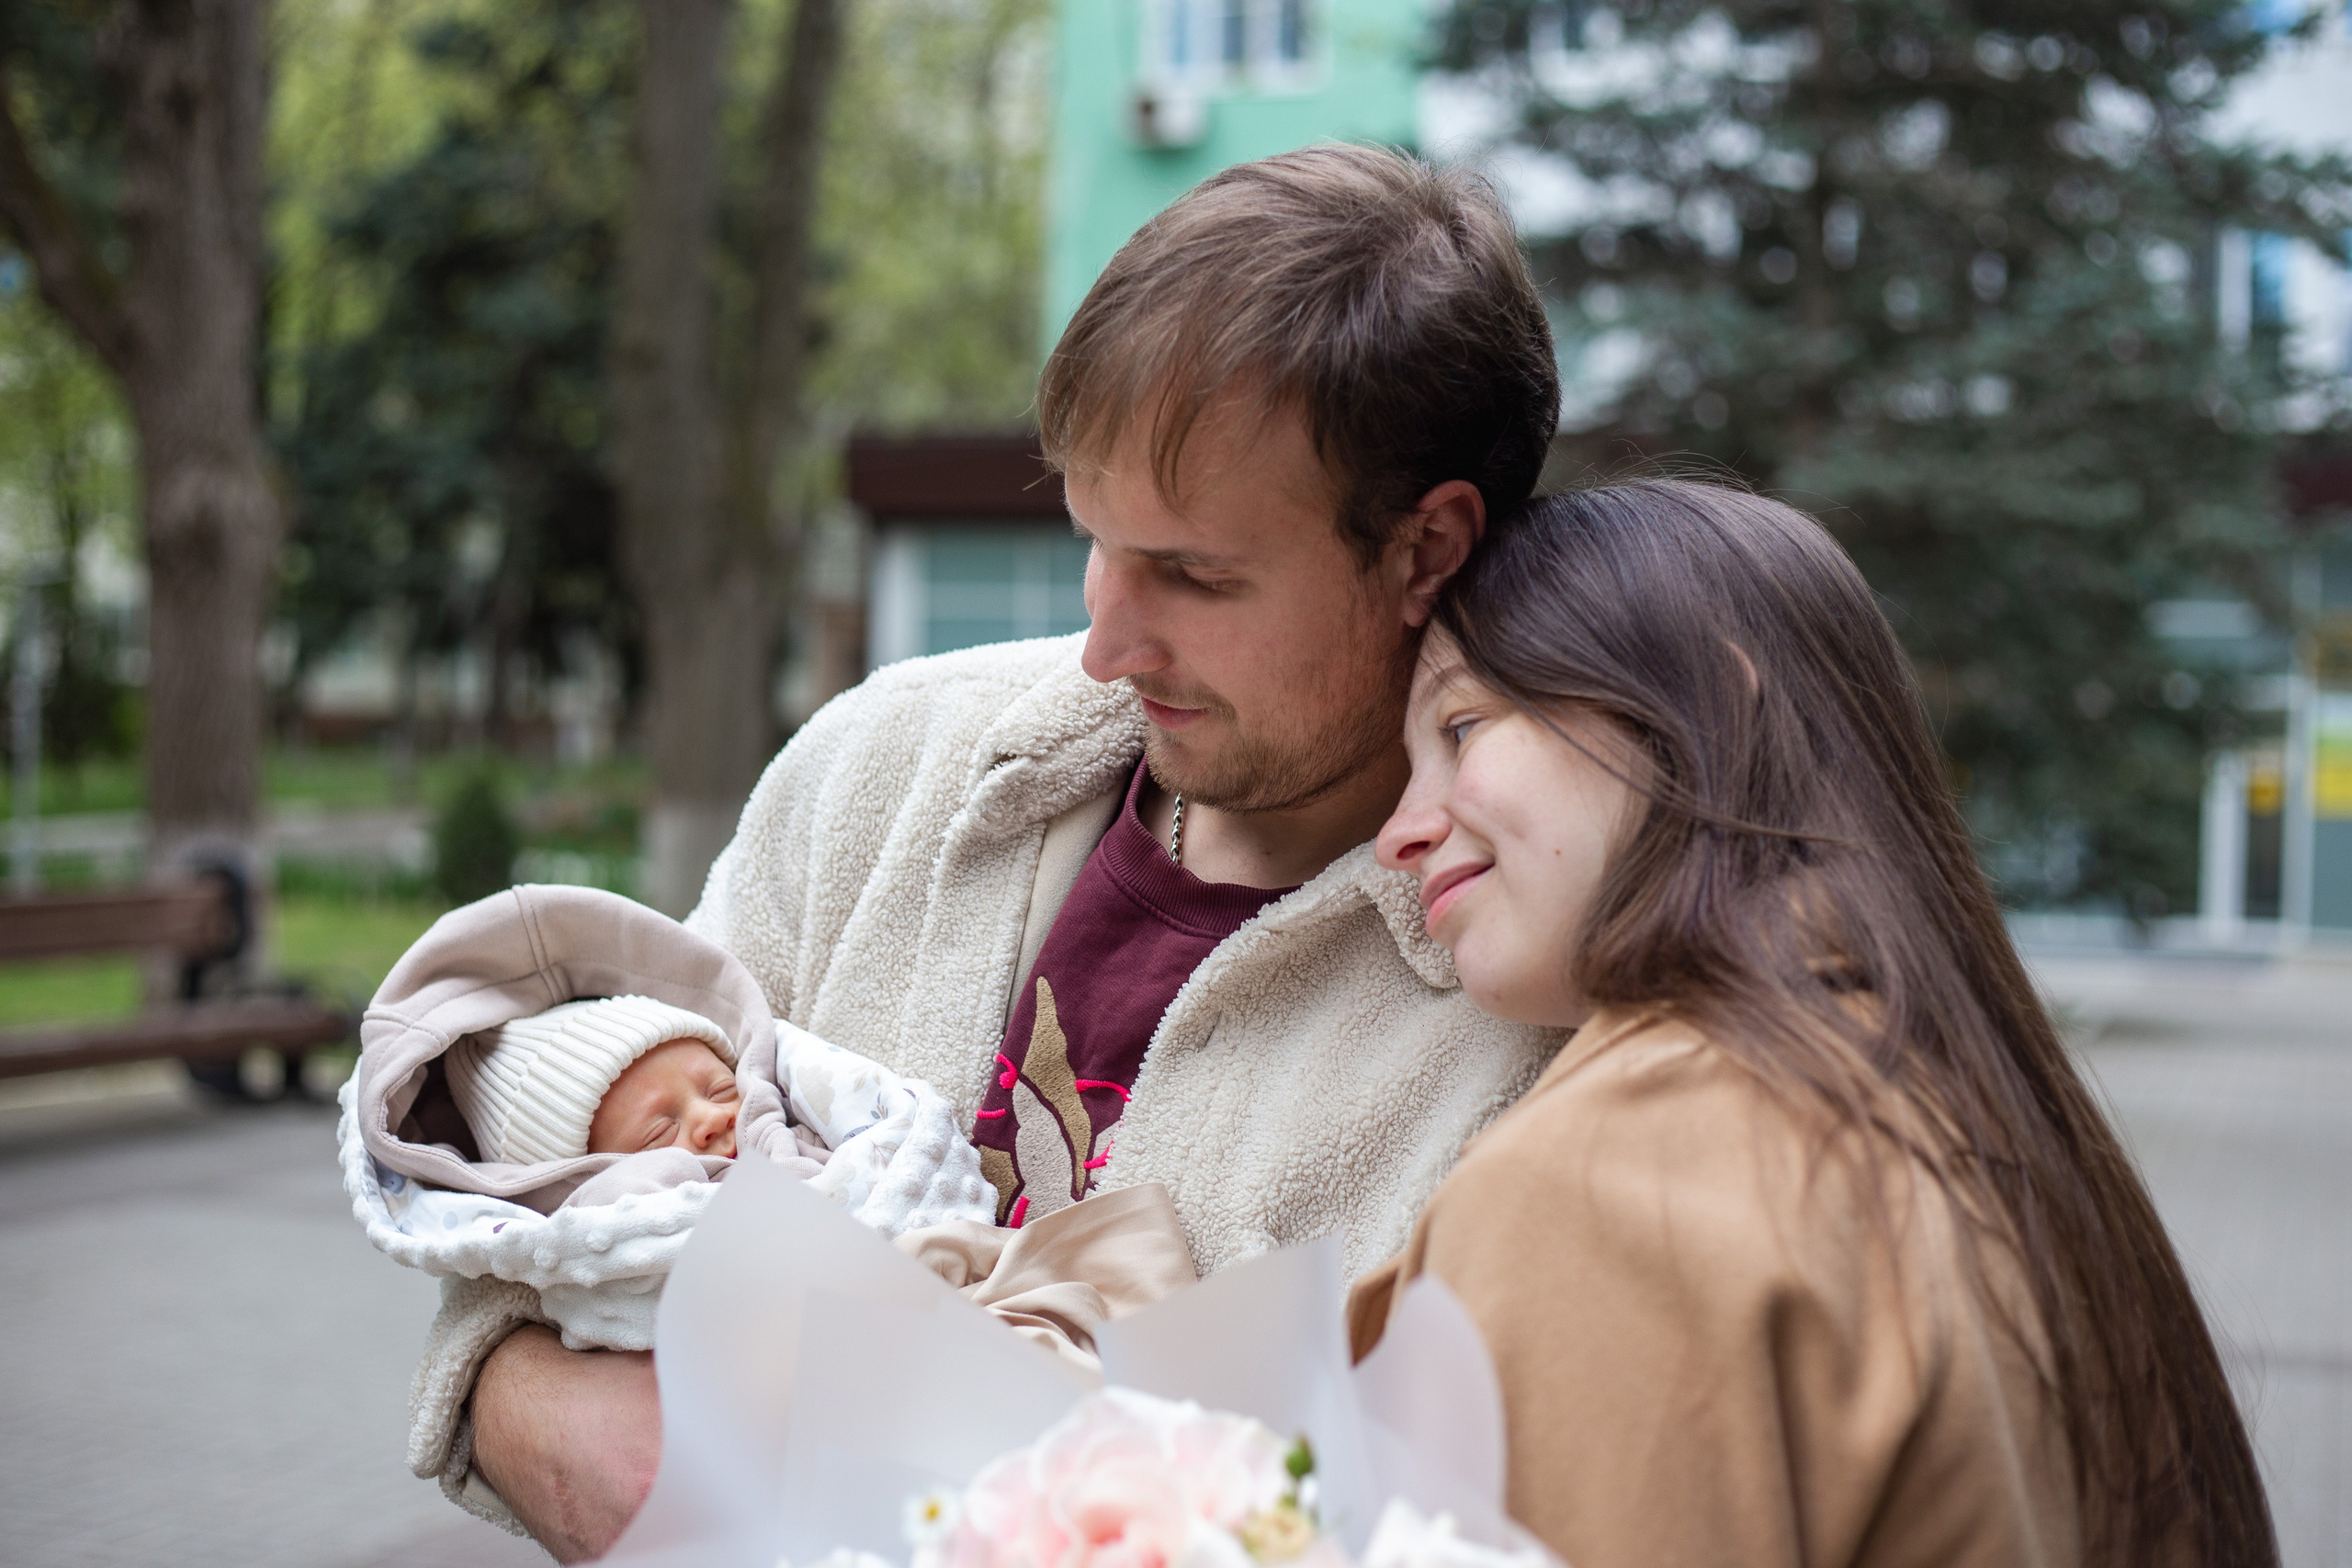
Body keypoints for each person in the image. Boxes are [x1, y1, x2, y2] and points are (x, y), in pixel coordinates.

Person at [412, 142, 1566, 1561]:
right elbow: (532, 1199)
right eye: (1094, 539)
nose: (1106, 643)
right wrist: (530, 1409)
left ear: (1425, 548)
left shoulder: (1547, 1006)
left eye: (1194, 575)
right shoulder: (879, 763)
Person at [1358, 479, 2276, 1568]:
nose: (1398, 835)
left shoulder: (1617, 1176)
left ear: (1713, 705)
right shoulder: (1959, 1102)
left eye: (1461, 727)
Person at [341, 883, 993, 1356]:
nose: (710, 1118)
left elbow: (876, 1162)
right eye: (657, 1130)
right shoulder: (607, 1207)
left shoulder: (791, 1124)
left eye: (719, 1086)